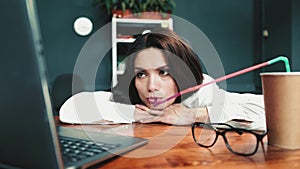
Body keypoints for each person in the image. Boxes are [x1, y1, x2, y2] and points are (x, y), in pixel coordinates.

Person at [60, 28, 266, 130]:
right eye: (141, 74)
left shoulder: (201, 90)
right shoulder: (129, 95)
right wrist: (132, 113)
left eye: (163, 73)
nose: (151, 87)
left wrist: (194, 115)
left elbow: (271, 111)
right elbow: (69, 110)